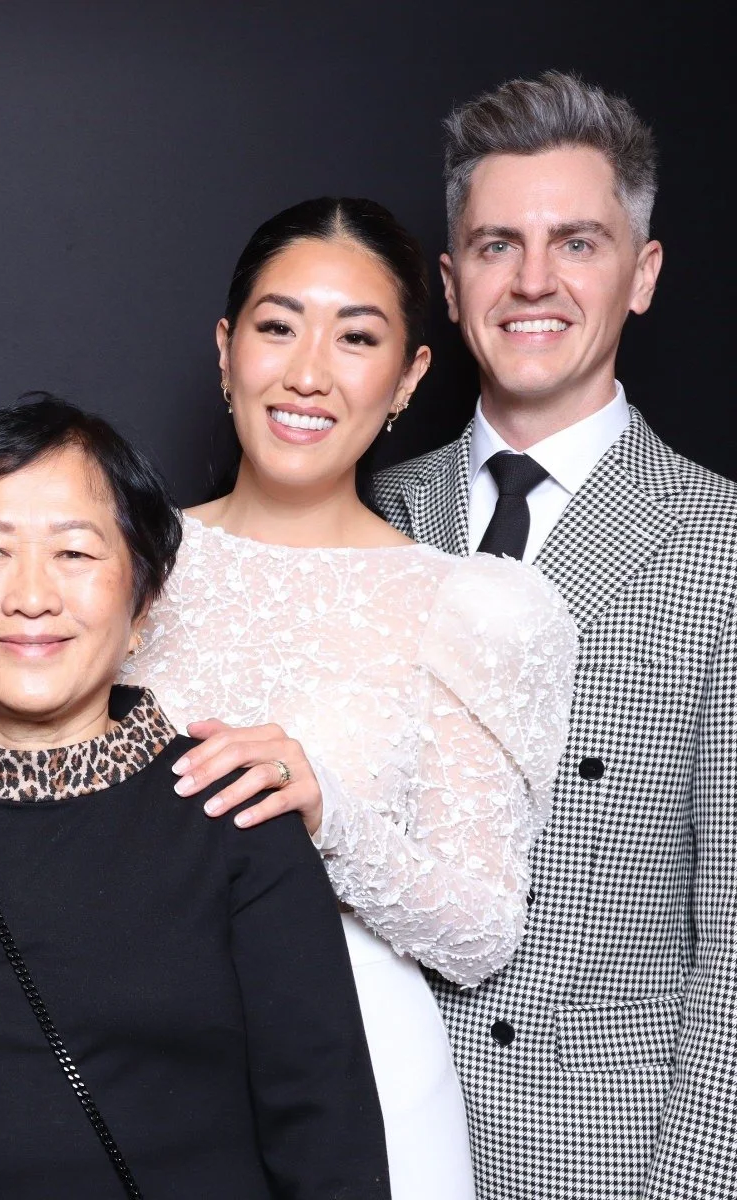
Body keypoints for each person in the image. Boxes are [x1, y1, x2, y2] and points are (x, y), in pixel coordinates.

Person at [0, 396, 390, 1197]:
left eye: (76, 554)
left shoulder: (233, 810)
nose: (31, 595)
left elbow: (327, 1136)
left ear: (142, 608)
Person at [129, 196, 578, 1199]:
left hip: (364, 1068)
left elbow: (482, 929)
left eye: (358, 337)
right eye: (277, 326)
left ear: (411, 375)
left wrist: (327, 810)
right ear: (225, 348)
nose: (308, 373)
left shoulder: (469, 608)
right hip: (130, 1055)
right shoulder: (115, 567)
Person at [372, 72, 737, 1200]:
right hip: (367, 1130)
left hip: (599, 1158)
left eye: (578, 243)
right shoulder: (374, 509)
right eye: (496, 246)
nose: (534, 282)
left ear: (644, 274)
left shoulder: (722, 547)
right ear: (449, 279)